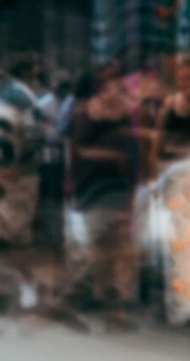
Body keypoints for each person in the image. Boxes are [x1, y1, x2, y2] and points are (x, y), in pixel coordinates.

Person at [65, 67, 139, 328]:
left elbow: (136, 144)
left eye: (117, 85)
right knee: (101, 242)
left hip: (119, 182)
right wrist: (112, 156)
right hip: (93, 183)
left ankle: (118, 303)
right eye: (107, 86)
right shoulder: (86, 113)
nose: (113, 91)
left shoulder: (128, 111)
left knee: (121, 240)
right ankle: (103, 296)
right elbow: (79, 150)